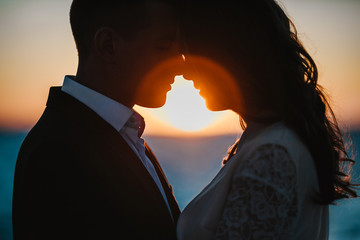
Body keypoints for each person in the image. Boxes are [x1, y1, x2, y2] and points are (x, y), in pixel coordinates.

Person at [177, 0, 358, 239]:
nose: (185, 73)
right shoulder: (269, 139)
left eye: (193, 56)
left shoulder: (271, 153)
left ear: (232, 52)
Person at [12, 0, 183, 239]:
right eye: (164, 47)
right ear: (108, 46)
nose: (181, 66)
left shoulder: (118, 133)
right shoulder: (57, 153)